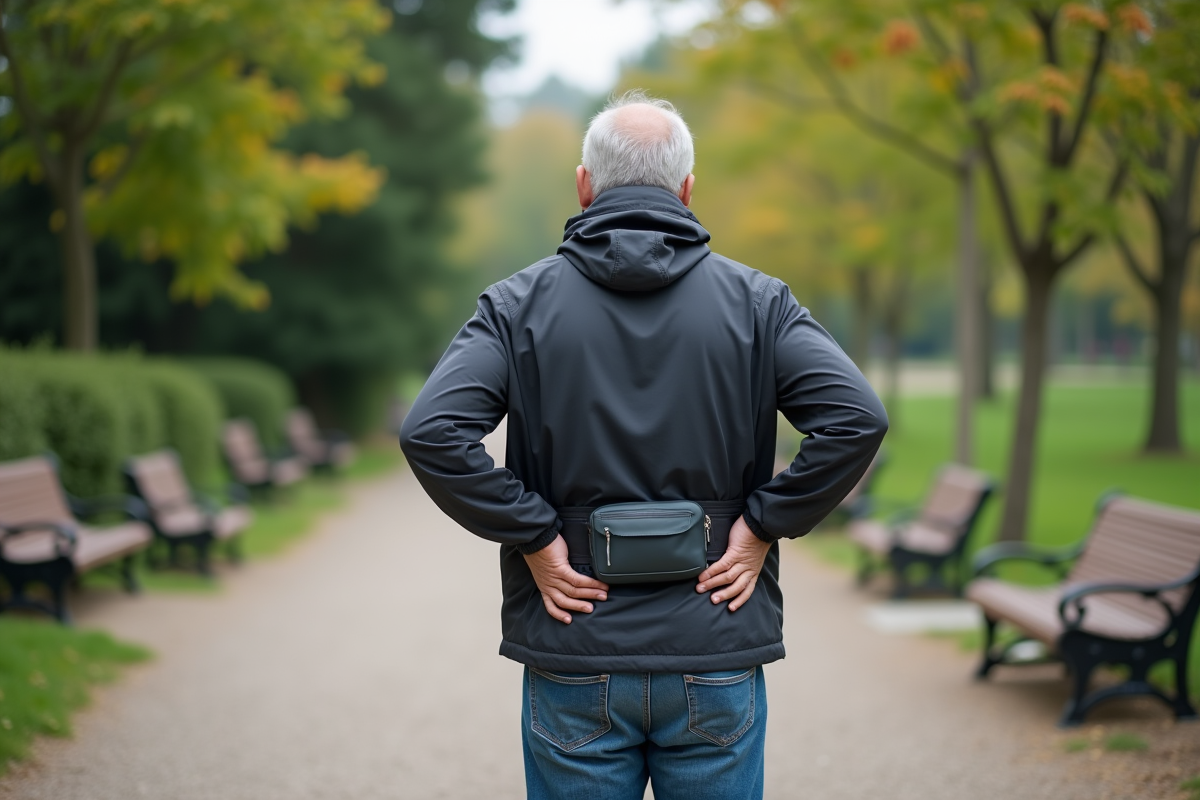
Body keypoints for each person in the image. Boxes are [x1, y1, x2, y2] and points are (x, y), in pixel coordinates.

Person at [399, 90, 888, 800]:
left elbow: (430, 431)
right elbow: (856, 417)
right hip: (714, 637)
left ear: (584, 184)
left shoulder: (515, 306)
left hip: (577, 639)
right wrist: (758, 527)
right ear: (688, 189)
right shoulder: (760, 303)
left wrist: (537, 535)